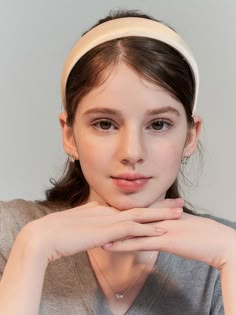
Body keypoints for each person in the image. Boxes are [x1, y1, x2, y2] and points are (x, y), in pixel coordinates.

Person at [0, 9, 235, 315]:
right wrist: (32, 250)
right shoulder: (10, 233)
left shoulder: (222, 252)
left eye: (159, 124)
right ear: (70, 135)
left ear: (191, 136)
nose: (132, 152)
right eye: (105, 124)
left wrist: (232, 258)